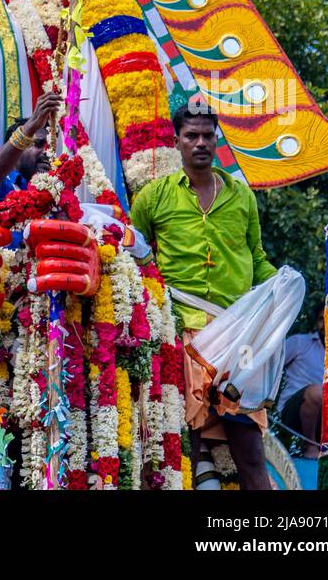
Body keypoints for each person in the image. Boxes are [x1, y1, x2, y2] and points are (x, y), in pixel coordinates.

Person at [130, 103, 284, 491]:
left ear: (217, 140)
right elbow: (134, 254)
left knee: (249, 449)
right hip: (184, 333)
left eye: (207, 135)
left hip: (238, 337)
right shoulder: (153, 197)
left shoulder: (241, 196)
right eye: (191, 136)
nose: (200, 142)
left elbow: (258, 258)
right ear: (176, 141)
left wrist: (283, 290)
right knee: (186, 444)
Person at [0, 89, 59, 201]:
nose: (46, 152)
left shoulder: (56, 192)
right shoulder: (4, 183)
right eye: (38, 144)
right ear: (16, 152)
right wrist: (29, 128)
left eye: (50, 146)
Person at [278, 306, 325, 457]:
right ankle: (310, 447)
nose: (325, 324)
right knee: (318, 392)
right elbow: (271, 366)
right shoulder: (300, 342)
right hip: (293, 413)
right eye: (321, 319)